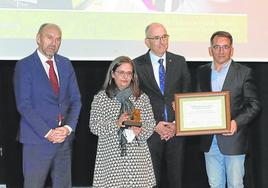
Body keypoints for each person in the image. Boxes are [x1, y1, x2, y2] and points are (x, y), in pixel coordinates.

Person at [14, 23, 81, 188]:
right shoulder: (24, 66)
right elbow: (24, 105)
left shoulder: (65, 64)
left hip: (64, 140)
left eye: (58, 39)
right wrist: (48, 132)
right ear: (38, 38)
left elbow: (76, 100)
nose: (54, 43)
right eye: (49, 37)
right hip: (36, 141)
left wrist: (67, 128)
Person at [197, 31, 261, 188]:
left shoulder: (244, 72)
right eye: (217, 47)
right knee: (215, 184)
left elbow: (254, 104)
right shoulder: (202, 71)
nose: (221, 51)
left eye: (225, 47)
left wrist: (236, 122)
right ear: (210, 50)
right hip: (209, 140)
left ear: (231, 50)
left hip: (234, 140)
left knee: (235, 184)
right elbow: (197, 101)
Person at [134, 23, 191, 188]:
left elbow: (187, 95)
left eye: (164, 36)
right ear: (147, 42)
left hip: (176, 132)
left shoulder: (179, 61)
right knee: (151, 182)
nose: (162, 41)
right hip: (150, 133)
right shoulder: (136, 65)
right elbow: (133, 101)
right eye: (156, 38)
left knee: (176, 180)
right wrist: (152, 126)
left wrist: (175, 124)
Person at [89, 56, 156, 187]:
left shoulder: (141, 98)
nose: (125, 77)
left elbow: (150, 124)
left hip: (137, 160)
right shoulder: (101, 98)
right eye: (121, 72)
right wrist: (116, 123)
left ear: (133, 76)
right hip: (111, 159)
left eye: (129, 73)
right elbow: (94, 126)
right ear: (113, 74)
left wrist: (140, 130)